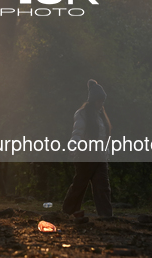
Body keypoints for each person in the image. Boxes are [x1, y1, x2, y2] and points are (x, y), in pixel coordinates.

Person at [62, 79, 113, 218]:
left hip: (100, 158)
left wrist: (106, 154)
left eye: (102, 101)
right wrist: (73, 147)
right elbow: (77, 132)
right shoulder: (82, 114)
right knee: (79, 186)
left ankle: (106, 216)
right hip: (85, 156)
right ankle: (68, 212)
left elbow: (103, 137)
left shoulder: (101, 116)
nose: (101, 104)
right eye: (99, 101)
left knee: (103, 187)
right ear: (92, 100)